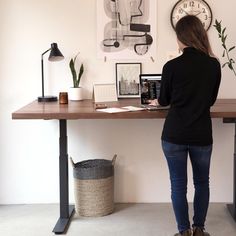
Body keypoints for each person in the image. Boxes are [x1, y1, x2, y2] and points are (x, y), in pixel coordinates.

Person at [157, 15, 221, 236]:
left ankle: (183, 231)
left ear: (181, 37)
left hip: (174, 135)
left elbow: (164, 100)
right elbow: (210, 100)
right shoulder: (213, 65)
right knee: (202, 183)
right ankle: (199, 230)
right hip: (201, 135)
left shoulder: (171, 66)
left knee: (178, 185)